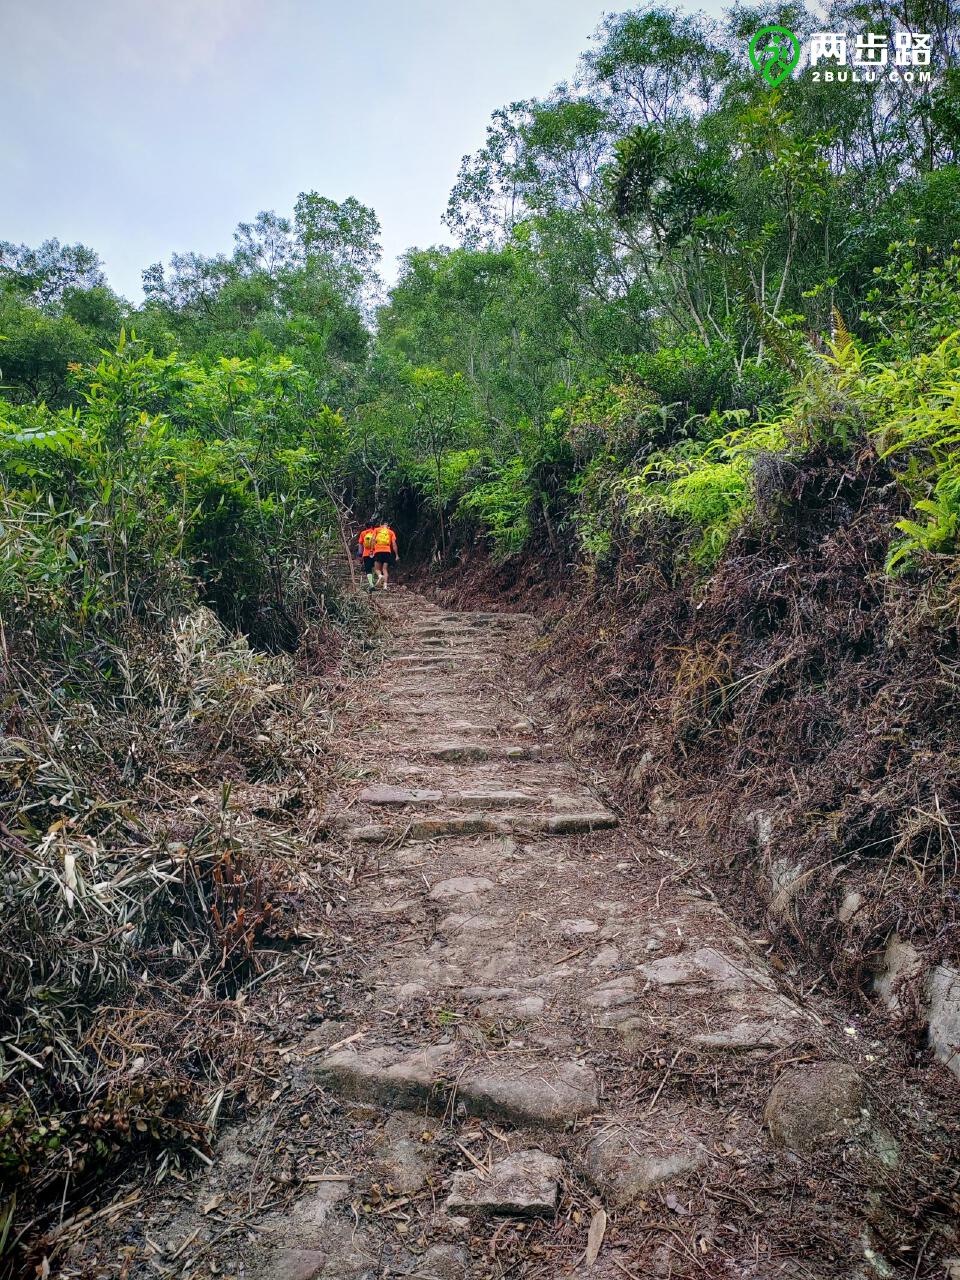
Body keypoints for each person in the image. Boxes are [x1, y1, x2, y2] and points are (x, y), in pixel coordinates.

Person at [372, 521, 399, 589]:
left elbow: (373, 540)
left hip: (378, 551)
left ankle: (380, 576)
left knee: (377, 569)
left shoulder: (377, 530)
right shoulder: (391, 532)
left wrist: (372, 550)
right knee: (385, 569)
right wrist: (396, 555)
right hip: (387, 551)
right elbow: (394, 544)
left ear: (381, 525)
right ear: (388, 527)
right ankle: (385, 585)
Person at [357, 519, 378, 591]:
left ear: (366, 526)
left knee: (368, 570)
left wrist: (360, 555)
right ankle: (375, 582)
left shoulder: (363, 533)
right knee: (376, 568)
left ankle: (371, 584)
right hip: (376, 553)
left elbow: (360, 545)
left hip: (366, 554)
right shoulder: (376, 532)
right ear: (372, 526)